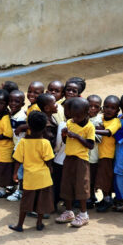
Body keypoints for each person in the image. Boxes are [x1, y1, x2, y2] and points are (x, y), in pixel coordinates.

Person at [9, 111, 55, 232]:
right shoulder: (45, 143)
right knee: (42, 201)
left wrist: (15, 173)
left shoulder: (23, 142)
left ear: (29, 125)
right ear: (44, 127)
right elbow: (49, 160)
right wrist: (50, 169)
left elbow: (17, 160)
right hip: (44, 177)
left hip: (30, 178)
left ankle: (20, 225)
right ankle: (39, 223)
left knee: (25, 202)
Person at [55, 97, 96, 228]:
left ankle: (84, 215)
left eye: (79, 116)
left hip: (81, 161)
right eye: (73, 116)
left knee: (81, 187)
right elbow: (67, 142)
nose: (76, 118)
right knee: (67, 185)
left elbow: (90, 145)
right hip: (69, 159)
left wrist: (77, 136)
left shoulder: (89, 127)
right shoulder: (70, 123)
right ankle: (69, 212)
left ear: (87, 113)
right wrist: (64, 135)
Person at [7, 89, 27, 202]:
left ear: (22, 104)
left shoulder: (21, 117)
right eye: (11, 101)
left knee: (20, 171)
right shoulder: (13, 115)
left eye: (16, 101)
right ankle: (17, 189)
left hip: (21, 148)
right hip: (16, 146)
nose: (13, 103)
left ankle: (19, 192)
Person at [86, 94, 103, 208]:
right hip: (83, 155)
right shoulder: (82, 118)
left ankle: (91, 196)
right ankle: (87, 197)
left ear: (100, 109)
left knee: (91, 177)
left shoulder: (99, 121)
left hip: (93, 155)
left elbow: (99, 138)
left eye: (96, 106)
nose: (92, 108)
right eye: (90, 106)